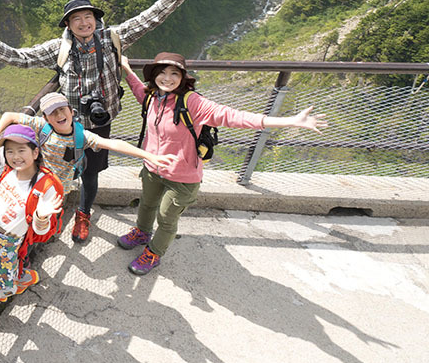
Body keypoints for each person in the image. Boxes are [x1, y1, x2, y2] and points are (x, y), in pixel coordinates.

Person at [0, 0, 210, 242]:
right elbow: (24, 58)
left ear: (96, 19)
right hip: (63, 125)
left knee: (91, 174)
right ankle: (47, 213)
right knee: (55, 169)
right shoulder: (58, 48)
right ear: (69, 25)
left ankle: (83, 215)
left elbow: (147, 20)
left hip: (98, 124)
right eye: (77, 19)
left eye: (88, 17)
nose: (84, 23)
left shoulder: (111, 38)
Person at [118, 52, 327, 275]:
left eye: (174, 73)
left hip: (182, 176)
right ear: (154, 76)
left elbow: (232, 116)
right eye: (162, 73)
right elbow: (138, 89)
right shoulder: (152, 98)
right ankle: (142, 232)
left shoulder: (193, 102)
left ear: (182, 78)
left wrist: (289, 121)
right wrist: (127, 69)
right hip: (152, 167)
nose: (167, 78)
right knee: (147, 205)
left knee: (166, 217)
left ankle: (154, 252)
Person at [0, 92, 178, 237]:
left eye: (61, 110)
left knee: (42, 221)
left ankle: (36, 240)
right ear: (45, 117)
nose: (58, 116)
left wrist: (148, 156)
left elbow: (113, 143)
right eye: (52, 113)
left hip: (56, 189)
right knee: (26, 218)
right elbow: (8, 117)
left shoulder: (82, 136)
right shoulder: (41, 126)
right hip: (34, 182)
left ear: (71, 112)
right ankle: (24, 245)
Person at [0, 124, 64, 307]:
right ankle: (20, 278)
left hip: (7, 240)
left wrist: (41, 217)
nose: (16, 156)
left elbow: (40, 232)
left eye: (21, 150)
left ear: (35, 153)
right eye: (10, 151)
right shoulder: (11, 165)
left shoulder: (45, 187)